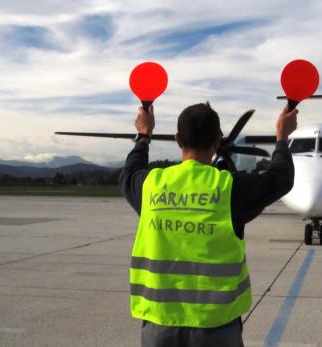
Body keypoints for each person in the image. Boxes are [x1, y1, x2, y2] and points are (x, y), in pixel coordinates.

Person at [120, 102, 297, 346]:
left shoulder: (150, 185)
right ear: (217, 141)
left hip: (159, 325)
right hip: (216, 328)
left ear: (178, 139)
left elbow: (129, 172)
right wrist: (282, 137)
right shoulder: (230, 188)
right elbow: (281, 178)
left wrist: (143, 135)